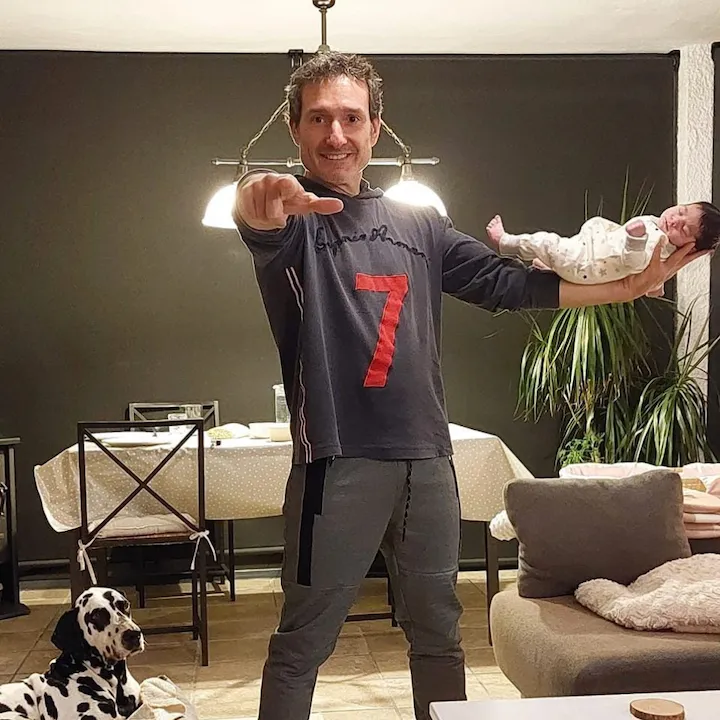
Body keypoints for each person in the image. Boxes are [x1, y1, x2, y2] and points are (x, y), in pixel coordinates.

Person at [231, 51, 705, 720]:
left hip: (428, 459)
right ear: (294, 127)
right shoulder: (292, 222)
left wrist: (626, 288)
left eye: (351, 118)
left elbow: (505, 283)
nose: (336, 134)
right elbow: (257, 213)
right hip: (335, 462)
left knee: (439, 634)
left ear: (375, 127)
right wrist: (255, 199)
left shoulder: (419, 223)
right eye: (319, 118)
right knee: (303, 640)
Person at [485, 203, 719, 288]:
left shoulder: (658, 242)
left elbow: (635, 261)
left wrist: (636, 240)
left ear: (690, 246)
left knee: (545, 241)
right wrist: (655, 287)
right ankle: (551, 268)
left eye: (684, 229)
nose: (676, 220)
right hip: (586, 252)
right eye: (681, 210)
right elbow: (652, 276)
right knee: (571, 242)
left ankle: (505, 242)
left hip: (585, 263)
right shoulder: (660, 227)